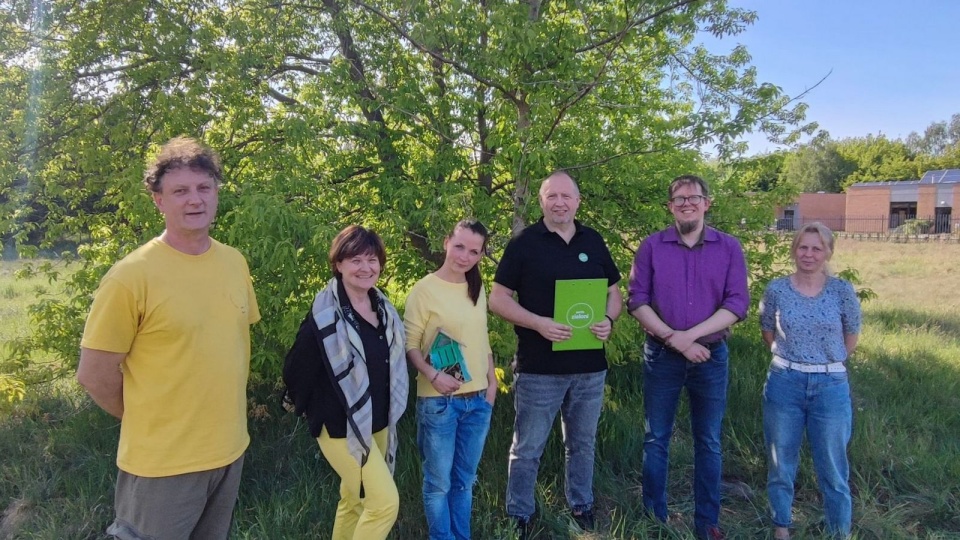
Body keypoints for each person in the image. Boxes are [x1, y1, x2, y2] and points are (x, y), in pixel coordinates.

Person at [76, 136, 261, 539]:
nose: (194, 200)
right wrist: (147, 416)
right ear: (158, 200)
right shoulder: (131, 276)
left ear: (216, 193)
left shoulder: (233, 262)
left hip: (229, 451)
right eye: (180, 191)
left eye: (203, 188)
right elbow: (94, 373)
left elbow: (224, 348)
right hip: (162, 463)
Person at [489, 170, 622, 537]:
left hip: (589, 367)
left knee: (582, 444)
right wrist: (537, 323)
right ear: (542, 201)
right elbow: (497, 299)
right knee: (527, 447)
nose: (560, 202)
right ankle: (520, 513)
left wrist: (609, 319)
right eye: (552, 196)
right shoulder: (523, 243)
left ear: (578, 201)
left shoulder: (593, 241)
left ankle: (581, 504)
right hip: (539, 368)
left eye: (566, 196)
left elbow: (614, 292)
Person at [627, 174, 749, 540]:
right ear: (670, 207)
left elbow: (737, 303)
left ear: (707, 203)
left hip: (710, 358)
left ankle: (707, 524)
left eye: (693, 198)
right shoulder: (651, 246)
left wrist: (690, 337)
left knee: (709, 440)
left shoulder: (729, 247)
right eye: (678, 199)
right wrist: (675, 341)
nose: (686, 204)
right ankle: (654, 520)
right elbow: (637, 300)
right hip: (661, 357)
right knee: (656, 439)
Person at [282, 225, 408, 540]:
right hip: (339, 426)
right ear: (339, 264)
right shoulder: (323, 317)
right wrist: (313, 411)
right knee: (383, 504)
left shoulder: (384, 308)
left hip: (378, 422)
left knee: (353, 502)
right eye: (356, 260)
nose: (366, 268)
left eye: (372, 260)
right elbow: (296, 370)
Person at [760, 222, 861, 540]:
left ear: (828, 252)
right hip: (784, 383)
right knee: (781, 461)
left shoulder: (842, 291)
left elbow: (851, 336)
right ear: (794, 249)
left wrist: (824, 361)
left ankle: (838, 532)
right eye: (803, 247)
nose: (809, 253)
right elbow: (767, 330)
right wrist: (790, 357)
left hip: (830, 387)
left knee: (832, 467)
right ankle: (781, 527)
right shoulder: (776, 289)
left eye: (817, 248)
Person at [404, 219, 498, 540]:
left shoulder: (476, 286)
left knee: (464, 480)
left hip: (478, 402)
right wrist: (432, 375)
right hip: (438, 402)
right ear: (446, 242)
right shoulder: (424, 289)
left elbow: (481, 337)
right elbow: (410, 345)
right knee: (438, 484)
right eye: (460, 246)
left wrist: (492, 384)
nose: (465, 256)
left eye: (475, 251)